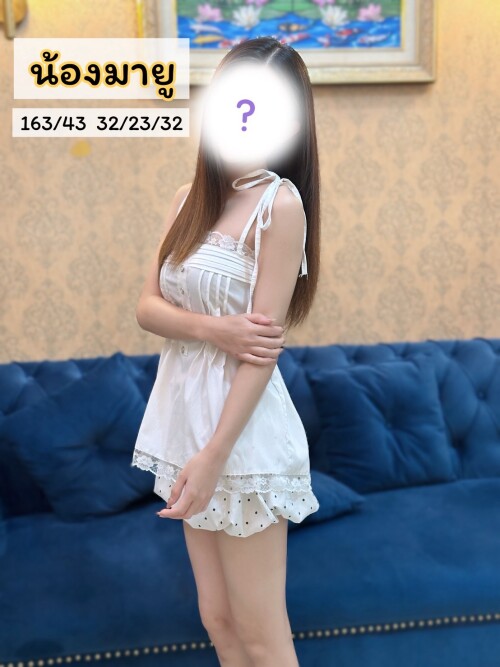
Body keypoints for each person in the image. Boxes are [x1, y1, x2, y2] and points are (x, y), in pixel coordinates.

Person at [132, 36, 320, 667]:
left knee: (261, 632)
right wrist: (216, 329)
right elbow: (147, 308)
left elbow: (260, 351)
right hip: (187, 420)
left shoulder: (279, 204)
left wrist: (214, 454)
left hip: (240, 434)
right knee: (217, 618)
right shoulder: (189, 200)